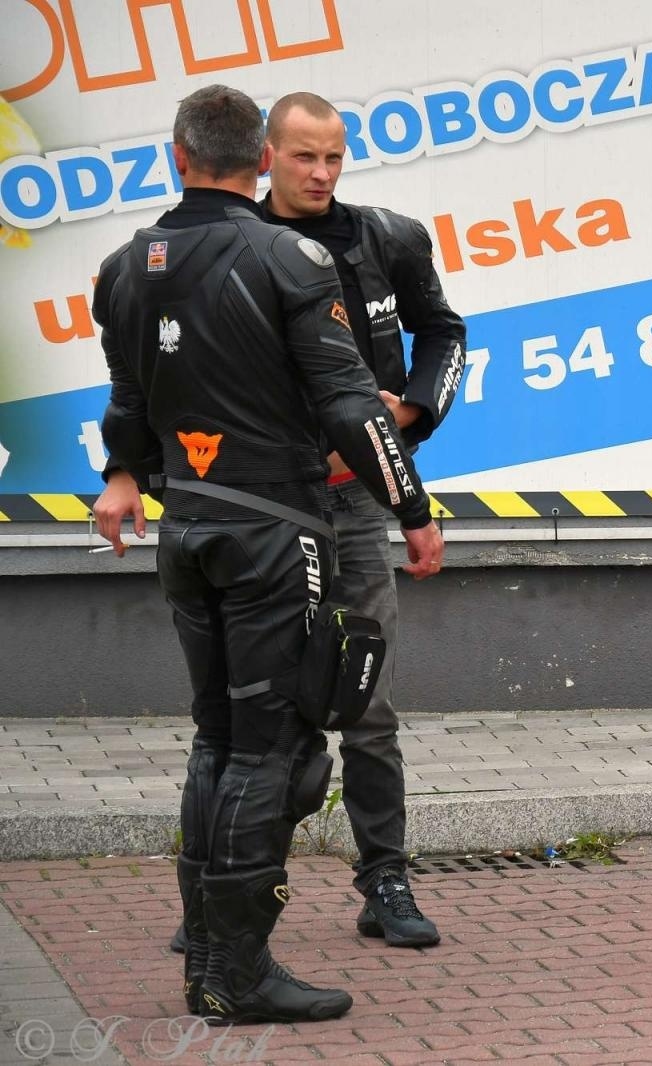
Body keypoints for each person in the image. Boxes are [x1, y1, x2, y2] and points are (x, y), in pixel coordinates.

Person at [91, 84, 445, 1023]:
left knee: (218, 740)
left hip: (187, 531)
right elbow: (349, 403)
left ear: (175, 157)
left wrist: (123, 473)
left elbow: (129, 400)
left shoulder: (126, 265)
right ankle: (236, 975)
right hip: (273, 535)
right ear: (259, 162)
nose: (320, 174)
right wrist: (411, 507)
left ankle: (210, 955)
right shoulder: (287, 257)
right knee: (275, 751)